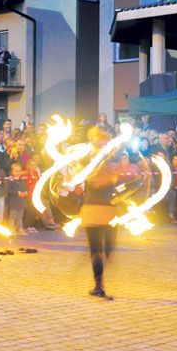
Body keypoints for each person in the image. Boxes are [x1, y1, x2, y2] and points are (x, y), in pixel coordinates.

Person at [78, 127, 123, 299]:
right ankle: (106, 258)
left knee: (96, 250)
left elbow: (81, 180)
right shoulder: (112, 163)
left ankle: (99, 285)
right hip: (109, 210)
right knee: (104, 248)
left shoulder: (91, 164)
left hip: (92, 209)